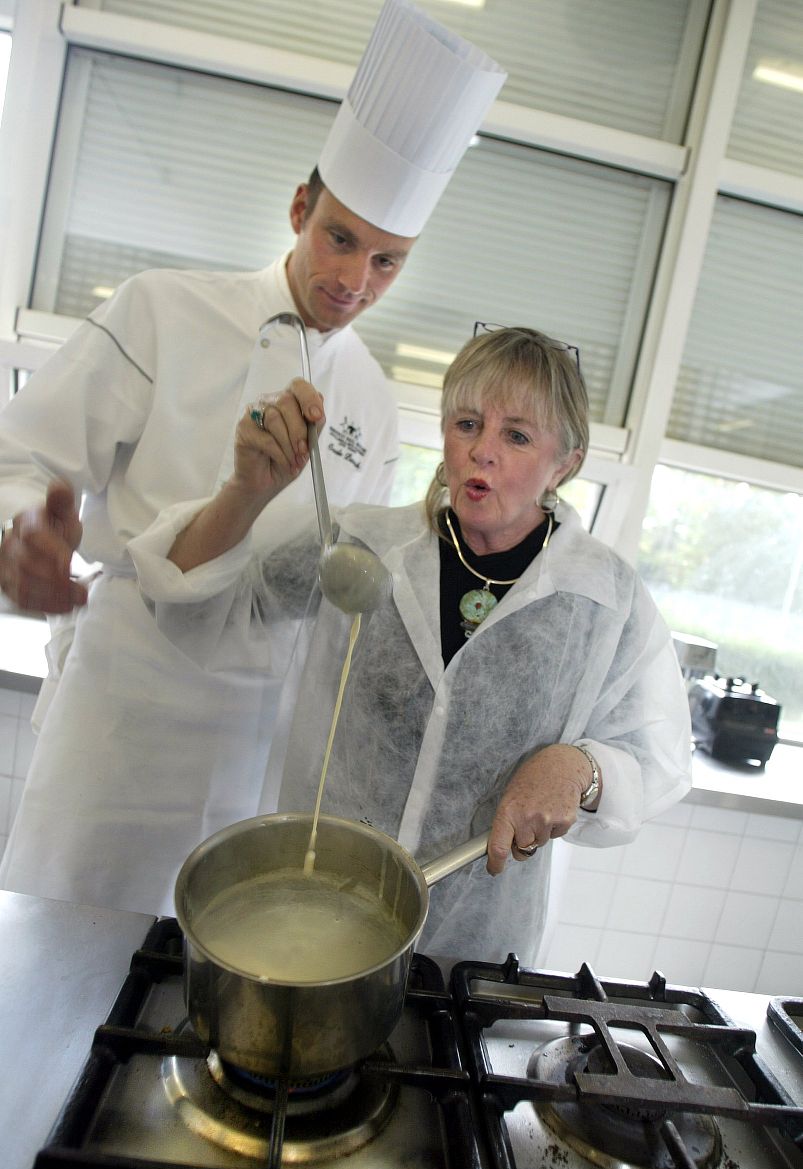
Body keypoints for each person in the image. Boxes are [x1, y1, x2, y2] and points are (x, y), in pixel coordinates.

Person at [0, 0, 506, 916]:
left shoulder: (376, 406)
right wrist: (19, 535)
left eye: (388, 262)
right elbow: (20, 457)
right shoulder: (163, 309)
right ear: (299, 209)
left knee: (202, 988)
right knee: (59, 967)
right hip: (128, 707)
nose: (354, 280)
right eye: (340, 238)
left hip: (264, 739)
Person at [127, 326, 693, 966]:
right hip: (315, 921)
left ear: (566, 461)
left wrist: (581, 769)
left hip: (473, 953)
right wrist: (246, 490)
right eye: (467, 423)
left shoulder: (603, 600)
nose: (482, 451)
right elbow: (201, 609)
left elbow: (656, 756)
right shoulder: (359, 545)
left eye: (517, 435)